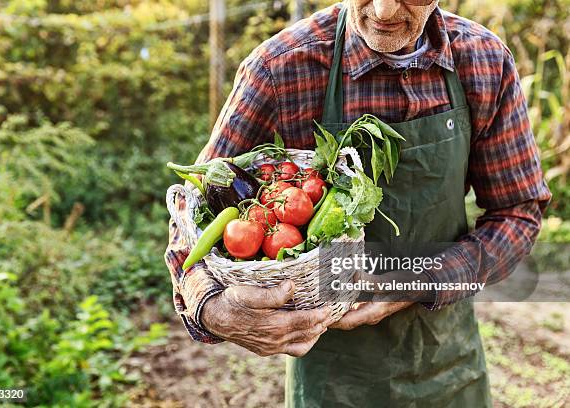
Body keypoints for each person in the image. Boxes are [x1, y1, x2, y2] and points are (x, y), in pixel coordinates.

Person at [165, 0, 551, 406]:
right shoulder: (282, 67)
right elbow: (195, 209)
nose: (383, 12)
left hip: (449, 363)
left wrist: (416, 282)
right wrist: (210, 308)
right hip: (332, 379)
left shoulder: (483, 60)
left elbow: (518, 213)